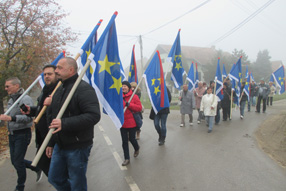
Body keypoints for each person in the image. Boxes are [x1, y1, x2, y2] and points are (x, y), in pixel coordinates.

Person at [46, 57, 101, 191]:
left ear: (71, 70)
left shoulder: (83, 89)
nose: (56, 70)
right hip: (60, 144)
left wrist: (64, 123)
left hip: (78, 145)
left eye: (59, 68)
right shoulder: (59, 89)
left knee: (77, 182)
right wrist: (51, 142)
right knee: (54, 178)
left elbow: (93, 115)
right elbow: (55, 116)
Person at [0, 77, 39, 191]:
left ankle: (20, 186)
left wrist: (11, 118)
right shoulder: (11, 99)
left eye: (8, 86)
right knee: (15, 161)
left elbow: (28, 118)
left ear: (16, 86)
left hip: (22, 134)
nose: (6, 88)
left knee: (18, 161)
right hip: (12, 134)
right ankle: (35, 167)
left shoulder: (24, 99)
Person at [21, 65, 58, 177]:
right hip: (42, 136)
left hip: (52, 136)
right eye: (45, 74)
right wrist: (31, 110)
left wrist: (54, 100)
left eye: (49, 74)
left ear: (56, 74)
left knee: (55, 172)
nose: (46, 76)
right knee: (44, 165)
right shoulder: (44, 90)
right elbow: (42, 110)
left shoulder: (59, 90)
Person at [121, 81, 141, 166]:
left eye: (125, 86)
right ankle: (127, 158)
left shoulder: (134, 96)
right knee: (124, 141)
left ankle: (137, 148)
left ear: (129, 87)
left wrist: (129, 105)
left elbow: (139, 108)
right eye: (122, 86)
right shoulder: (119, 97)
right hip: (122, 123)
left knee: (132, 139)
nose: (123, 87)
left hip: (132, 122)